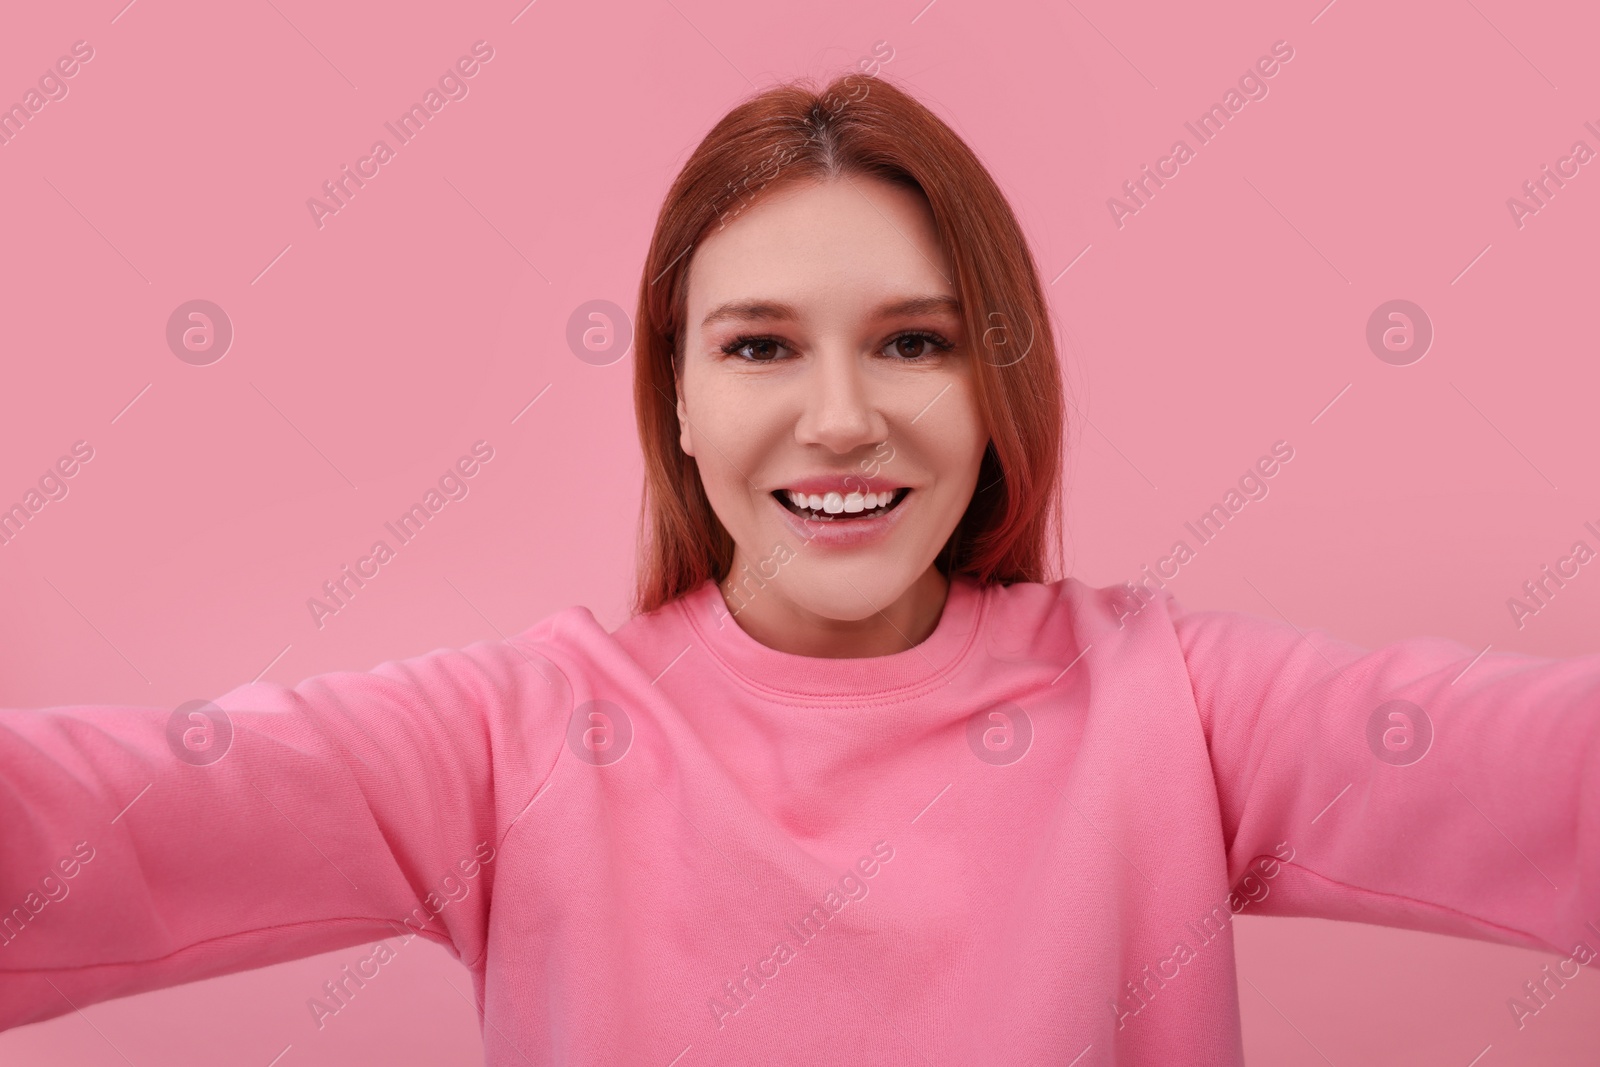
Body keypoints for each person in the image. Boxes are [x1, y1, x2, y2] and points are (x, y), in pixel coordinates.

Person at [2, 71, 1597, 1066]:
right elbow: (107, 823)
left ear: (996, 388)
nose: (842, 419)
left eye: (914, 342)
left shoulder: (1166, 701)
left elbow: (1548, 778)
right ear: (679, 398)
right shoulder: (517, 739)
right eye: (762, 346)